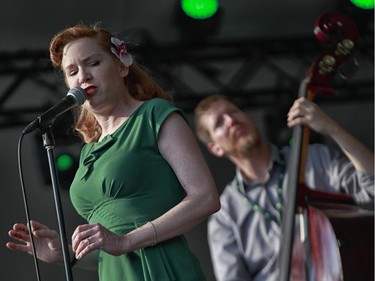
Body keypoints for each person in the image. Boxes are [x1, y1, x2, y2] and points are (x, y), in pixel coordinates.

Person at [6, 23, 221, 281]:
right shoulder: (88, 152)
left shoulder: (154, 115)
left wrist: (126, 241)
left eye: (93, 63)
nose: (82, 76)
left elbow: (206, 198)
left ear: (121, 66)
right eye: (72, 71)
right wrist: (65, 253)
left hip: (160, 269)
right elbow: (112, 248)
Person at [193, 93, 374, 281]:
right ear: (216, 149)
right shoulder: (225, 214)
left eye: (233, 111)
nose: (231, 120)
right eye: (219, 123)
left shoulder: (314, 159)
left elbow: (373, 186)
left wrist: (332, 128)